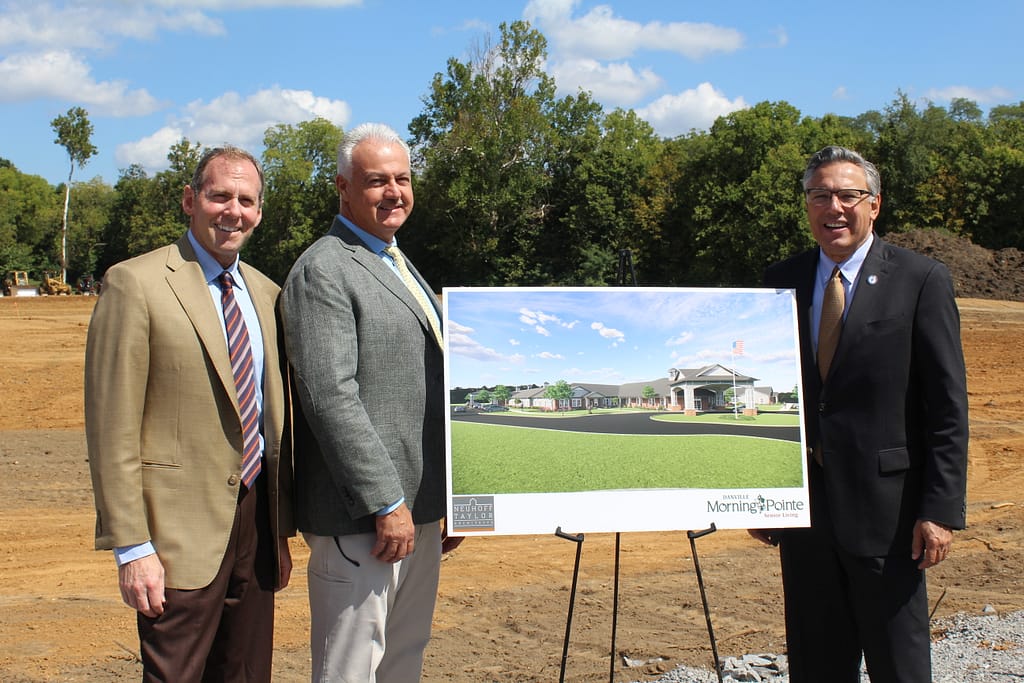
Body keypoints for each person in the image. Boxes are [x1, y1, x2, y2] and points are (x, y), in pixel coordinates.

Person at [750, 145, 969, 682]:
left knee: (899, 662)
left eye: (849, 195)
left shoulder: (920, 279)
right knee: (816, 659)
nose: (834, 207)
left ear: (874, 205)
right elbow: (761, 397)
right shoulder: (777, 284)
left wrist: (939, 509)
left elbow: (946, 407)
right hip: (806, 514)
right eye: (820, 195)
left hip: (890, 518)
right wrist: (758, 492)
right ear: (806, 206)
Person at [85, 146, 294, 682]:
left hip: (255, 525)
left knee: (246, 674)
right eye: (219, 195)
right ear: (189, 200)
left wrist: (282, 528)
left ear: (260, 212)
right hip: (176, 536)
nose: (233, 210)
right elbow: (112, 430)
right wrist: (132, 548)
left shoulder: (268, 295)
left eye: (246, 200)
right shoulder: (135, 283)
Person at [280, 122, 462, 682]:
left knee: (403, 662)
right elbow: (330, 397)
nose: (394, 192)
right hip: (364, 519)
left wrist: (449, 496)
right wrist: (386, 502)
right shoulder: (324, 269)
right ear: (343, 188)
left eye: (403, 179)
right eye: (377, 180)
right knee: (350, 670)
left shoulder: (399, 262)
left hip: (420, 511)